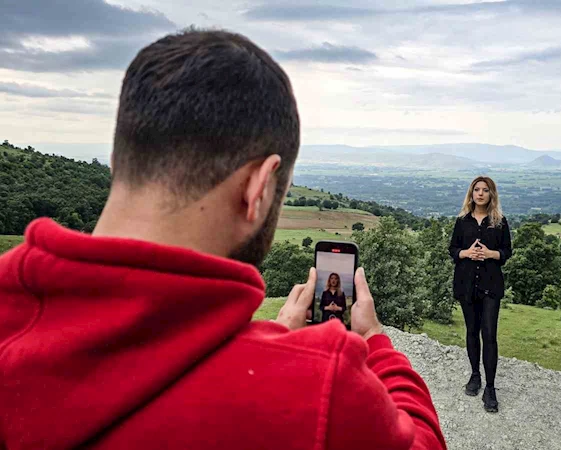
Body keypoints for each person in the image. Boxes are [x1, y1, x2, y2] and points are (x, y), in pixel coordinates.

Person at [0, 30, 446, 450]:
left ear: (118, 161)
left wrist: (269, 340)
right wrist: (372, 339)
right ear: (259, 187)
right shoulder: (320, 390)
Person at [448, 176, 512, 413]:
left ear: (492, 195)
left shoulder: (500, 222)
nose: (481, 193)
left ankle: (491, 388)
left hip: (491, 286)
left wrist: (490, 254)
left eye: (486, 190)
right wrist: (465, 253)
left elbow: (507, 252)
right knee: (472, 332)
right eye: (477, 190)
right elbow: (452, 249)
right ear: (471, 193)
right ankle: (475, 376)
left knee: (490, 334)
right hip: (466, 284)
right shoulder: (462, 221)